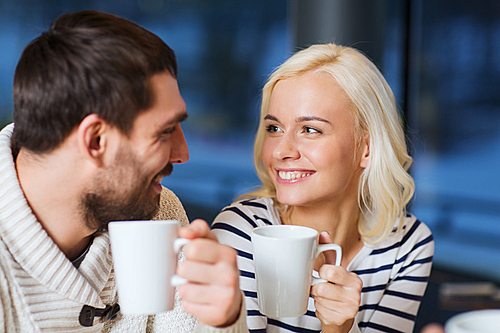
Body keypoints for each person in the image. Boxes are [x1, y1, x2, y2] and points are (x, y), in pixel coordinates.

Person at [0, 10, 248, 332]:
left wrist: (222, 320)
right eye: (165, 131)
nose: (183, 154)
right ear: (96, 140)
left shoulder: (160, 214)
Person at [211, 43, 434, 333]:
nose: (281, 151)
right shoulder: (239, 232)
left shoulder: (408, 244)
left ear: (367, 148)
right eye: (274, 128)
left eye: (310, 130)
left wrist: (338, 329)